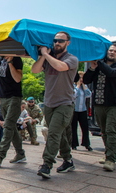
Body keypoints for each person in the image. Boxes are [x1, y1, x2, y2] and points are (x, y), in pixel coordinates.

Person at [32, 31, 79, 179]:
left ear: (67, 43)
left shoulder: (72, 59)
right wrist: (41, 55)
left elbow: (60, 67)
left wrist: (46, 54)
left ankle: (47, 164)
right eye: (55, 40)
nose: (57, 43)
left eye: (60, 40)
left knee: (52, 133)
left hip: (65, 103)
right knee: (59, 134)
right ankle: (68, 160)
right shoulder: (47, 59)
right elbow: (35, 70)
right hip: (49, 103)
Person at [83, 43, 116, 171]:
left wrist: (98, 61)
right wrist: (92, 68)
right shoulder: (99, 67)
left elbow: (110, 73)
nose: (112, 53)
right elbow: (86, 80)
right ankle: (107, 154)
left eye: (115, 51)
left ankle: (110, 159)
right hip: (99, 105)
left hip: (114, 105)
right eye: (110, 50)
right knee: (104, 132)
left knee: (111, 131)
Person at [0, 52, 25, 167]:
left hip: (14, 97)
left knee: (7, 126)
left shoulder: (16, 59)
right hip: (2, 98)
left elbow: (18, 79)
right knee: (11, 127)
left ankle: (0, 156)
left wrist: (10, 62)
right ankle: (20, 153)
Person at [72, 71, 93, 151]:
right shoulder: (74, 86)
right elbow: (74, 95)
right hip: (75, 110)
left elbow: (88, 94)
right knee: (73, 128)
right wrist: (77, 86)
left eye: (82, 78)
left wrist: (83, 85)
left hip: (83, 110)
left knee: (85, 127)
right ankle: (74, 144)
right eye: (80, 78)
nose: (81, 79)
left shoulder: (84, 87)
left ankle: (86, 144)